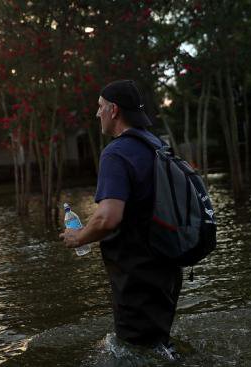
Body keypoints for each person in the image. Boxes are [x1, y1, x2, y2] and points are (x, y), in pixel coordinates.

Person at [59, 80, 183, 350]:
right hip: (169, 267)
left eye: (100, 107)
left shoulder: (115, 153)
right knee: (158, 346)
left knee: (136, 351)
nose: (97, 113)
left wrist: (79, 237)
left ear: (113, 110)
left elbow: (108, 217)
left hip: (138, 274)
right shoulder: (156, 145)